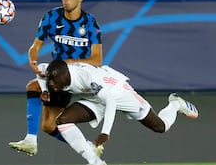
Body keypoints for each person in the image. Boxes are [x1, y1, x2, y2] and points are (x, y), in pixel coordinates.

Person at [41, 59, 198, 165]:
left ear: (65, 74)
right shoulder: (54, 74)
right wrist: (45, 90)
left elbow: (110, 101)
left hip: (118, 93)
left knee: (160, 127)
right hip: (94, 99)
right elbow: (41, 70)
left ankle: (175, 104)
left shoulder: (87, 78)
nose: (51, 83)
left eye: (54, 80)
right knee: (62, 120)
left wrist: (105, 133)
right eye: (50, 80)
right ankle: (96, 162)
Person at [9, 0, 103, 156]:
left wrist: (67, 62)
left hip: (81, 74)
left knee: (33, 86)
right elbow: (35, 46)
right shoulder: (52, 17)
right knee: (49, 125)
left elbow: (97, 59)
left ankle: (30, 139)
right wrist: (33, 60)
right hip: (59, 75)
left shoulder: (90, 22)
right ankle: (89, 147)